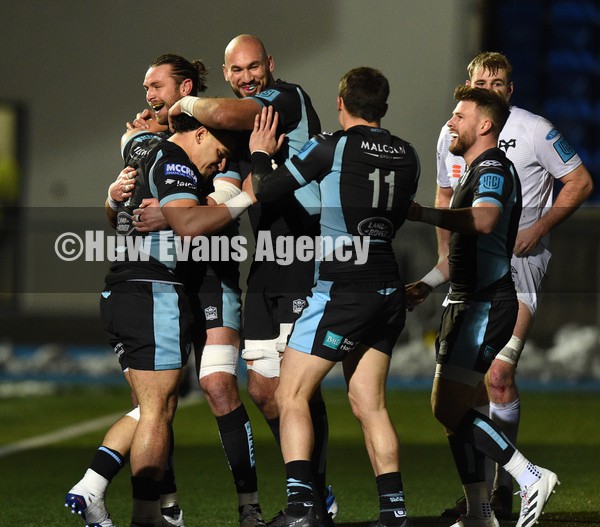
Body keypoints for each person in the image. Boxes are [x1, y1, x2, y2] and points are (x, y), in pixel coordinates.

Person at [168, 34, 337, 522]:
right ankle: (312, 492)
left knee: (296, 387)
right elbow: (228, 190)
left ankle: (312, 496)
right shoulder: (241, 137)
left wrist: (186, 103)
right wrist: (184, 215)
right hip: (266, 262)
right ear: (227, 74)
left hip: (305, 253)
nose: (247, 77)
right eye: (237, 71)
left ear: (270, 64)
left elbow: (222, 115)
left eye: (253, 67)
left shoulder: (287, 99)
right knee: (263, 390)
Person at [243, 67, 420, 527]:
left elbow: (266, 190)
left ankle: (303, 507)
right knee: (369, 403)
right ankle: (394, 512)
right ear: (382, 106)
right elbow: (396, 216)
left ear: (341, 104)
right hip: (388, 287)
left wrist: (261, 154)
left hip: (343, 286)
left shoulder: (332, 144)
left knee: (291, 392)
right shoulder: (409, 154)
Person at [432, 52, 593, 520]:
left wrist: (539, 227)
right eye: (480, 80)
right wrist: (444, 259)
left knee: (497, 376)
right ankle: (480, 503)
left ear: (509, 90)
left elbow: (579, 181)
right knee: (464, 394)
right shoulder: (453, 131)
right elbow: (445, 193)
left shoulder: (534, 129)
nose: (488, 86)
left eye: (497, 81)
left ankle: (511, 486)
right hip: (469, 272)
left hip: (516, 265)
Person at [406, 85, 559, 527]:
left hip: (481, 308)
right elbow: (470, 251)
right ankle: (478, 513)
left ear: (484, 125)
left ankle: (528, 475)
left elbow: (485, 220)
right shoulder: (476, 168)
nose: (450, 122)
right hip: (468, 301)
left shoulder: (491, 168)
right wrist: (428, 284)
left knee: (446, 409)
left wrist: (422, 214)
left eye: (459, 115)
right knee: (463, 413)